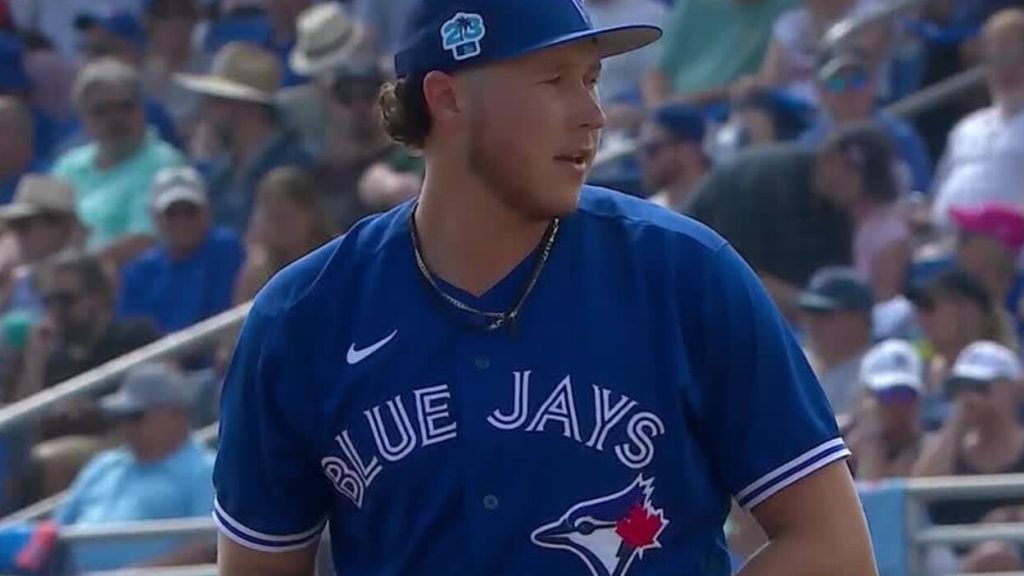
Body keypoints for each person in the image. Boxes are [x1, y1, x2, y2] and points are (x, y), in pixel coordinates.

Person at [213, 1, 877, 575]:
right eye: (554, 80)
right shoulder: (304, 317)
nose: (592, 115)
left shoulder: (686, 274)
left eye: (591, 79)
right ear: (448, 98)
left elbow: (834, 549)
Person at [55, 362, 216, 572]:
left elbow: (208, 547)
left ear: (176, 415)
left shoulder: (206, 470)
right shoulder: (103, 465)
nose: (126, 426)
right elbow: (56, 530)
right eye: (122, 417)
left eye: (135, 416)